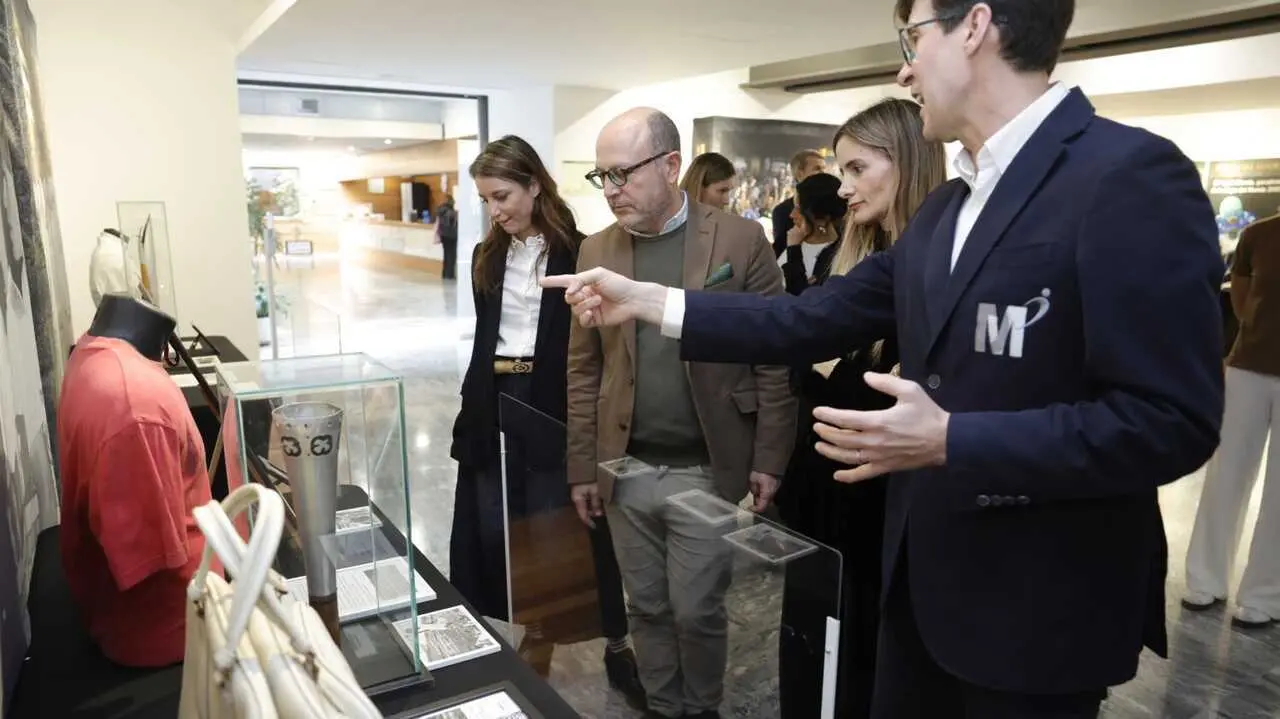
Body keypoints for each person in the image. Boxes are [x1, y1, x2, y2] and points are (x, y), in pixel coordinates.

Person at [544, 1, 1225, 716]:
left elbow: (1169, 420)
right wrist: (648, 301)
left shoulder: (1128, 176)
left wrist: (952, 438)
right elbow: (807, 318)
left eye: (912, 37)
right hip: (917, 594)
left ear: (974, 25)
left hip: (1034, 611)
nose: (904, 68)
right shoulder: (945, 210)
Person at [566, 107, 795, 719]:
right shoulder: (597, 248)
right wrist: (583, 466)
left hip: (705, 467)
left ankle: (703, 709)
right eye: (601, 177)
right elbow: (584, 367)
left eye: (622, 174)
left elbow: (775, 356)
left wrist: (770, 455)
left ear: (670, 166)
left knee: (697, 610)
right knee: (645, 606)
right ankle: (666, 708)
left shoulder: (740, 240)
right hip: (626, 464)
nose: (611, 190)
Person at [447, 135, 644, 707]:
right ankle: (520, 629)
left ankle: (611, 638)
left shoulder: (582, 253)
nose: (496, 209)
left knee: (564, 519)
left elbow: (595, 349)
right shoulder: (487, 257)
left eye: (503, 194)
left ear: (535, 184)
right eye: (486, 199)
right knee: (495, 519)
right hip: (494, 394)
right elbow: (487, 339)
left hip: (554, 395)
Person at [776, 99, 946, 719]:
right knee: (813, 661)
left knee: (865, 671)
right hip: (825, 501)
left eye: (856, 168)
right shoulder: (859, 260)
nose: (841, 188)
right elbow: (803, 356)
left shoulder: (939, 272)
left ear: (905, 161)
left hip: (885, 513)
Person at [1184, 211, 1280, 628]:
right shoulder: (1258, 235)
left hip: (1255, 366)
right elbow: (1241, 301)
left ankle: (1265, 595)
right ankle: (1206, 578)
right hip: (1248, 366)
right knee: (1225, 473)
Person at [778, 173, 844, 293]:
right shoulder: (787, 238)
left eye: (798, 209)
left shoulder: (834, 258)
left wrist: (794, 249)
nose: (792, 215)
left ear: (821, 219)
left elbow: (802, 298)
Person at [770, 149, 828, 258]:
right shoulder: (782, 211)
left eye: (824, 169)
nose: (823, 173)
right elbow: (780, 251)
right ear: (800, 174)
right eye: (817, 169)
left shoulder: (832, 205)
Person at [435, 196, 459, 280]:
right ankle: (450, 274)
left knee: (446, 255)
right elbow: (453, 222)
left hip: (444, 235)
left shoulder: (440, 210)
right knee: (451, 255)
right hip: (451, 235)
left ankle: (445, 273)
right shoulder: (450, 211)